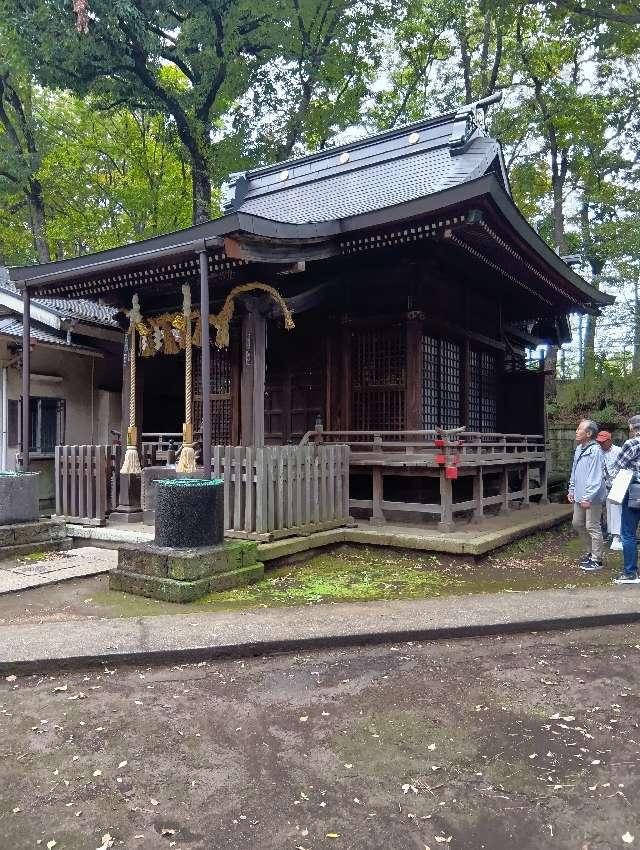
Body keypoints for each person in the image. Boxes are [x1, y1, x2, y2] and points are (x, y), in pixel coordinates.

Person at [568, 419, 606, 571]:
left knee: (592, 525)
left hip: (592, 497)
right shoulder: (579, 449)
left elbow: (595, 477)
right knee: (577, 523)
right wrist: (571, 489)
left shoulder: (595, 451)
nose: (577, 431)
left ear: (589, 434)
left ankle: (597, 559)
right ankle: (590, 552)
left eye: (580, 429)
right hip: (579, 494)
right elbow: (575, 471)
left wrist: (588, 497)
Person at [608, 415, 640, 584]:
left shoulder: (632, 443)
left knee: (628, 533)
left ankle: (630, 573)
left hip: (635, 491)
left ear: (632, 428)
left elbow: (618, 465)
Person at [596, 430, 623, 550]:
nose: (601, 444)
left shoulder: (618, 451)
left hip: (617, 484)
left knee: (615, 509)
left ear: (609, 441)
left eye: (603, 442)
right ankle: (611, 533)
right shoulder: (597, 451)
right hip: (603, 484)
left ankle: (617, 536)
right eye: (599, 442)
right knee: (607, 510)